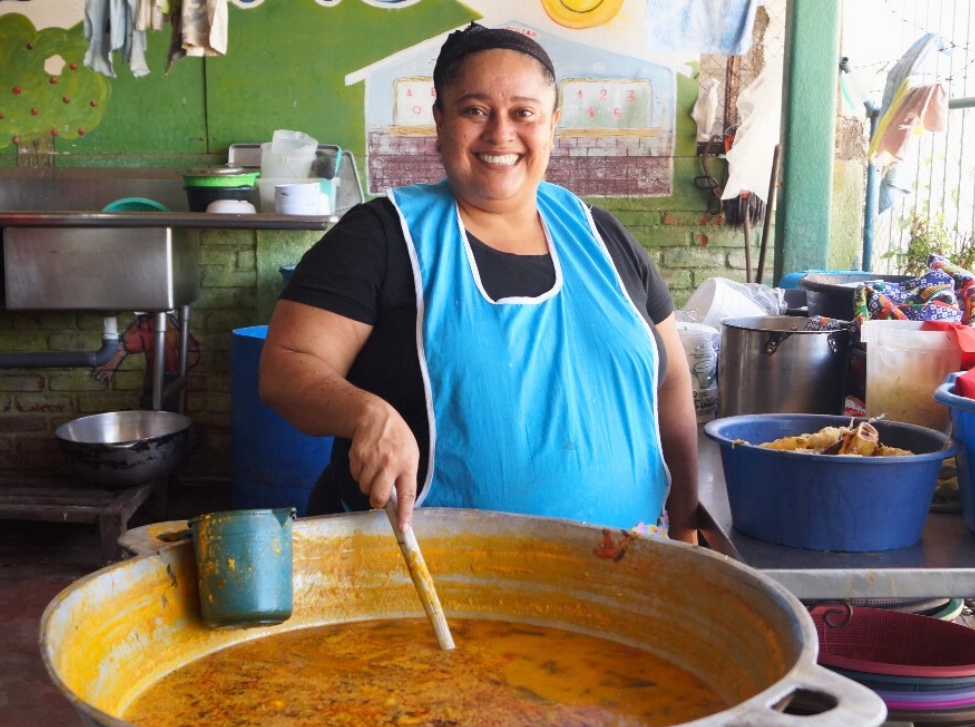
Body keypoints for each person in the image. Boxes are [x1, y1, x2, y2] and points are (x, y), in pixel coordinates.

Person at [259, 22, 699, 544]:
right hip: (439, 591)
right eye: (474, 110)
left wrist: (688, 532)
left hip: (631, 570)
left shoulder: (601, 236)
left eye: (524, 112)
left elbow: (670, 382)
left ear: (553, 124)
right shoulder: (382, 236)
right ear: (440, 121)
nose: (500, 133)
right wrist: (365, 411)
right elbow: (286, 367)